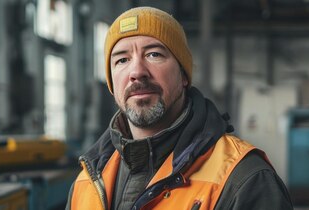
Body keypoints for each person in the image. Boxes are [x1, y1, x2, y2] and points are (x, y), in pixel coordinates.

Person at [67, 6, 293, 210]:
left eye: (153, 54)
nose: (137, 71)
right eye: (121, 60)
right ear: (112, 84)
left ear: (184, 75)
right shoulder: (87, 181)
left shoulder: (243, 180)